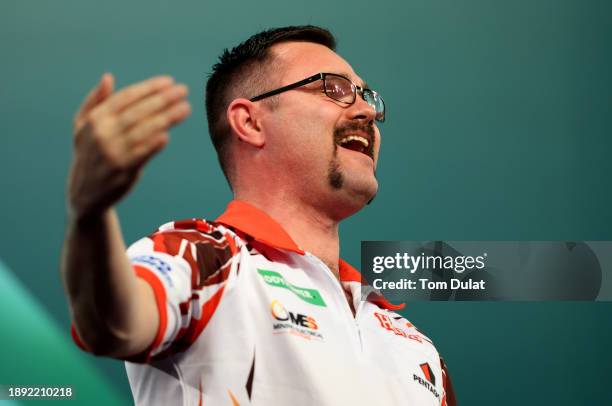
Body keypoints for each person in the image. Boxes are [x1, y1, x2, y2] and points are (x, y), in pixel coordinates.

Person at [62, 25, 456, 405]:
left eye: (366, 96)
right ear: (249, 122)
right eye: (334, 90)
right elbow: (112, 323)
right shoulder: (203, 259)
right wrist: (90, 214)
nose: (365, 111)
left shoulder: (413, 344)